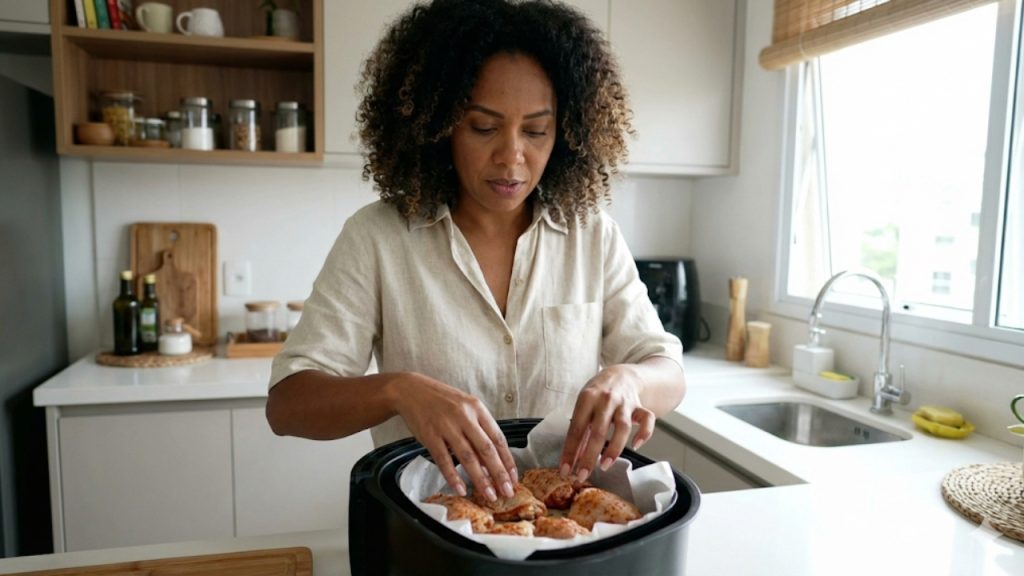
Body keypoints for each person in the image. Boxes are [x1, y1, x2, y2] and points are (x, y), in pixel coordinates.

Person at [266, 0, 686, 505]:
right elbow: (288, 405)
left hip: (563, 531)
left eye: (535, 131)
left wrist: (628, 380)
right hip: (432, 531)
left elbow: (667, 370)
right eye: (484, 127)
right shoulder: (377, 238)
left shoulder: (591, 236)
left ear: (567, 132)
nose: (512, 156)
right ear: (438, 125)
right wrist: (397, 390)